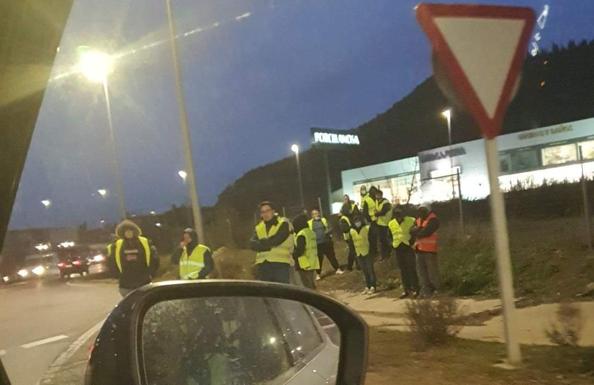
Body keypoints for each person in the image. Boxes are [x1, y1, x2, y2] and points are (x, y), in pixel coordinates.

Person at [111, 220, 159, 297]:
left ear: (135, 231)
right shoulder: (117, 245)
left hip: (143, 281)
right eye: (126, 231)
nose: (128, 233)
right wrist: (117, 275)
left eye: (130, 230)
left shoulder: (144, 242)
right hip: (125, 283)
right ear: (122, 232)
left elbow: (154, 258)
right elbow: (112, 261)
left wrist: (151, 273)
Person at [250, 201, 294, 283]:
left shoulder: (283, 223)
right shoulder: (258, 227)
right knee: (266, 293)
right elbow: (252, 244)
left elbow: (277, 240)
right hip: (263, 265)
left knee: (281, 292)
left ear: (273, 211)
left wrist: (262, 243)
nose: (265, 214)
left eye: (268, 211)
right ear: (261, 214)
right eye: (263, 212)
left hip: (280, 264)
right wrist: (268, 245)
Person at [388, 207, 419, 298]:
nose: (399, 216)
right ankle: (407, 289)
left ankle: (416, 289)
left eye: (400, 214)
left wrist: (413, 242)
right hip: (398, 248)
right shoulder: (391, 223)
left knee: (411, 268)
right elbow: (389, 236)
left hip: (408, 247)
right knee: (403, 270)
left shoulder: (410, 220)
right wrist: (391, 244)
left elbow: (416, 230)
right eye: (397, 214)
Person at [411, 204, 440, 298]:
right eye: (420, 210)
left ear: (428, 210)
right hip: (419, 249)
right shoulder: (419, 219)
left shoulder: (433, 219)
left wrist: (418, 231)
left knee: (432, 273)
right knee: (422, 273)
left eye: (423, 210)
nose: (421, 212)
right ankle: (425, 292)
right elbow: (411, 231)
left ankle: (437, 291)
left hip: (429, 250)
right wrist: (419, 231)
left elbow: (427, 232)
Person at [308, 208, 344, 280]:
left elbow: (329, 228)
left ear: (319, 213)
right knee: (319, 260)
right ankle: (318, 274)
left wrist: (328, 232)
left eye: (316, 213)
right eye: (314, 214)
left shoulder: (323, 220)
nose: (315, 215)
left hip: (326, 242)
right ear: (312, 215)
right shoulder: (309, 223)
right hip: (317, 244)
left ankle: (337, 269)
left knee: (331, 256)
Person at [291, 214, 319, 289]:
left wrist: (292, 255)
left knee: (306, 285)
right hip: (313, 261)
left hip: (304, 263)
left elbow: (300, 250)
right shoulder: (310, 232)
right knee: (311, 283)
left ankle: (311, 299)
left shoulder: (301, 235)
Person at [350, 214, 376, 294]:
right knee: (364, 271)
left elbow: (372, 240)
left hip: (367, 252)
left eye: (358, 221)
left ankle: (373, 286)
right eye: (355, 222)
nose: (357, 223)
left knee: (370, 270)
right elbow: (351, 243)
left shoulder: (367, 228)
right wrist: (353, 253)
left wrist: (373, 251)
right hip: (359, 253)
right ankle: (367, 286)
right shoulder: (352, 231)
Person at [360, 185, 378, 257]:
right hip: (371, 222)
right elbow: (365, 212)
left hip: (378, 221)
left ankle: (375, 251)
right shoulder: (367, 200)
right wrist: (369, 221)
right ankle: (373, 252)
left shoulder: (376, 199)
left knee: (375, 238)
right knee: (372, 238)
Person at [339, 205, 358, 271]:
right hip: (349, 237)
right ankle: (352, 266)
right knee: (353, 251)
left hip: (351, 235)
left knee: (353, 251)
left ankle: (351, 266)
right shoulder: (343, 219)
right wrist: (352, 227)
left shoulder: (347, 217)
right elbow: (344, 229)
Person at [375, 189, 392, 260]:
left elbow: (383, 212)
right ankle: (383, 255)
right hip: (380, 223)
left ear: (381, 195)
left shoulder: (386, 202)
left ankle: (388, 253)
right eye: (376, 195)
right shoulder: (377, 202)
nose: (377, 196)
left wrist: (377, 213)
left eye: (378, 195)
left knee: (385, 240)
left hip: (385, 224)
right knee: (381, 240)